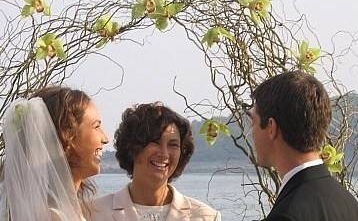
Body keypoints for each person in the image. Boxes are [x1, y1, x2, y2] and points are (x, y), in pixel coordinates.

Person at [247, 70, 358, 221]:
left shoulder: (287, 214)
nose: (252, 133)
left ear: (271, 127)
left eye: (253, 122)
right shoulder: (349, 204)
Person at [91, 102, 221, 221]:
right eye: (155, 142)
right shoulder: (93, 213)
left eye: (173, 144)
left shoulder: (205, 216)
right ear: (133, 146)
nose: (164, 153)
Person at [0, 86, 108, 220]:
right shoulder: (53, 216)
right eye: (96, 126)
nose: (105, 139)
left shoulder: (57, 210)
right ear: (67, 135)